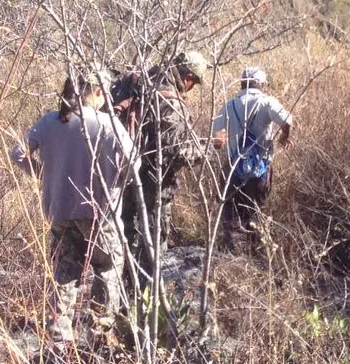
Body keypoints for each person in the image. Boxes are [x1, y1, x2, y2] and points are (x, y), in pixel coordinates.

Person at [11, 67, 138, 347]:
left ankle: (59, 340)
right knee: (107, 272)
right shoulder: (108, 124)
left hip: (59, 211)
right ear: (95, 91)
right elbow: (134, 163)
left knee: (64, 276)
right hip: (100, 214)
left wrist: (46, 174)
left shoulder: (48, 122)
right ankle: (100, 338)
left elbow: (17, 152)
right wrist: (115, 183)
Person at [110, 50, 209, 257]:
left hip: (122, 174)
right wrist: (208, 146)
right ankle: (146, 288)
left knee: (123, 237)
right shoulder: (170, 100)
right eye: (194, 83)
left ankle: (124, 283)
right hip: (154, 184)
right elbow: (175, 152)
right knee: (153, 247)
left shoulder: (141, 81)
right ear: (188, 77)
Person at [211, 66, 293, 251]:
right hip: (261, 170)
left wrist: (223, 143)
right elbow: (287, 120)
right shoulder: (267, 102)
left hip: (234, 169)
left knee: (232, 216)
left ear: (242, 83)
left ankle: (237, 257)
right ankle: (257, 254)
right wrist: (284, 137)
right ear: (262, 84)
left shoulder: (228, 105)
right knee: (256, 213)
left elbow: (217, 140)